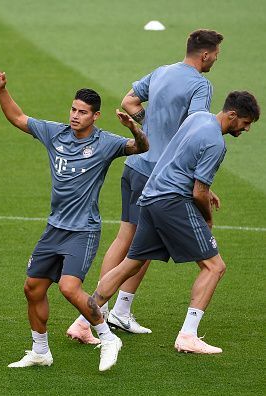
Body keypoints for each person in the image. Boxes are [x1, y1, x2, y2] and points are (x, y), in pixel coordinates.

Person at [0, 69, 149, 371]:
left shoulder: (106, 143)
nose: (75, 116)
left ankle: (108, 338)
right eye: (73, 109)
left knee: (69, 289)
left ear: (95, 116)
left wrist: (134, 128)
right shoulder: (55, 133)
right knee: (32, 288)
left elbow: (141, 148)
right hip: (54, 228)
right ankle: (40, 351)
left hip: (82, 231)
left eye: (82, 112)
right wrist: (1, 90)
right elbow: (19, 118)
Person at [67, 29, 224, 342]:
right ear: (205, 54)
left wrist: (149, 124)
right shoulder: (200, 85)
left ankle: (118, 311)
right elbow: (196, 129)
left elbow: (129, 101)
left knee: (133, 238)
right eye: (216, 54)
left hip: (135, 165)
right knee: (140, 244)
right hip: (159, 173)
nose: (216, 60)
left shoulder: (162, 72)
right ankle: (94, 315)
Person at [87, 92, 259, 364]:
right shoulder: (216, 143)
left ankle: (85, 319)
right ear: (232, 115)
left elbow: (179, 156)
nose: (246, 129)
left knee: (132, 262)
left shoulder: (198, 118)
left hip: (151, 195)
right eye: (246, 123)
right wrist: (208, 220)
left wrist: (205, 191)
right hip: (172, 202)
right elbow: (198, 192)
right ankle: (188, 336)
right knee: (215, 266)